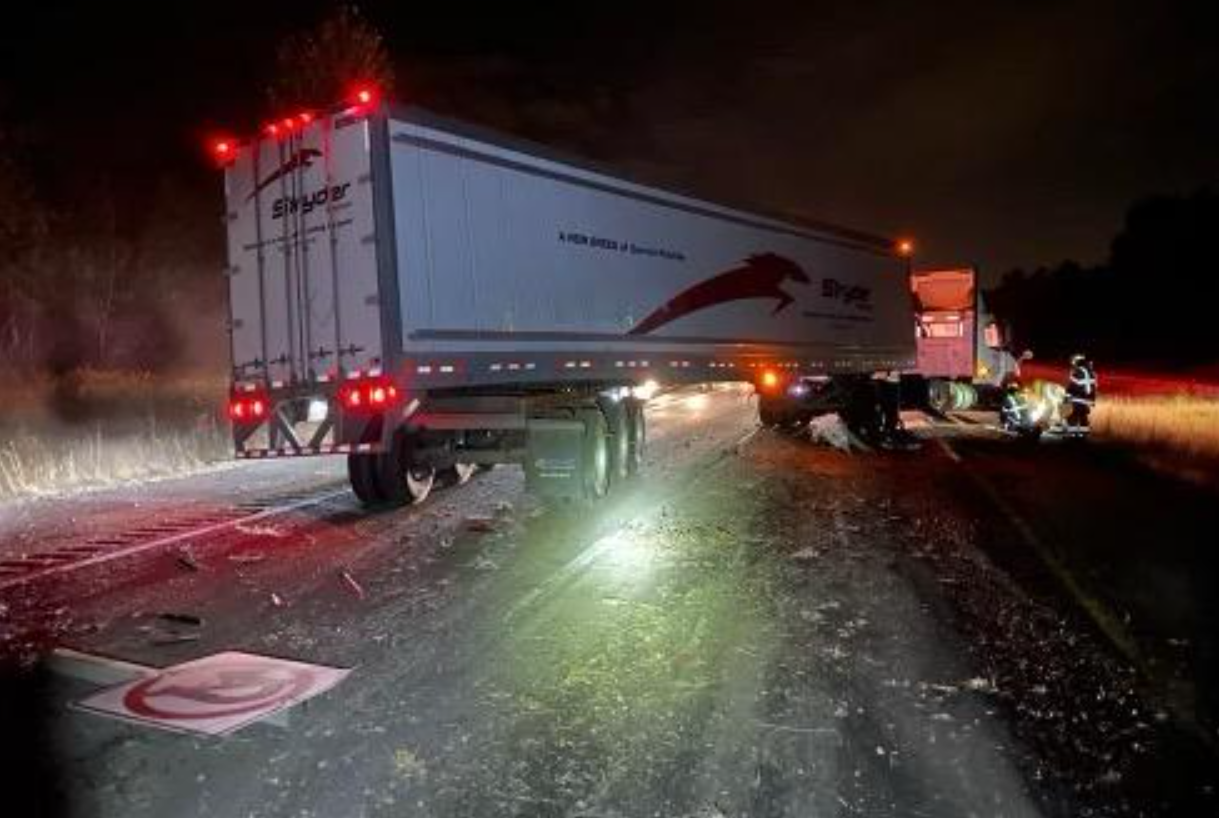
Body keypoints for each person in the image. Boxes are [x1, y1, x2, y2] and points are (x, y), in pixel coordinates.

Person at [1064, 353, 1097, 437]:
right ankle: (1083, 436)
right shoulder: (1092, 373)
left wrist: (1066, 398)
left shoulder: (1076, 372)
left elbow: (1071, 387)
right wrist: (1092, 401)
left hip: (1077, 399)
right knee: (1083, 417)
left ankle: (1072, 436)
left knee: (1072, 416)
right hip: (1087, 401)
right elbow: (1094, 388)